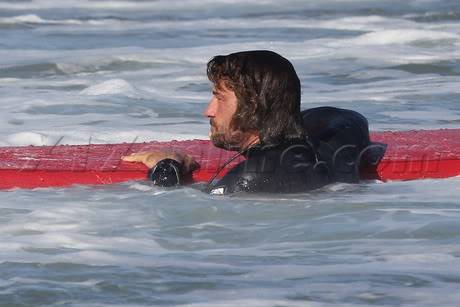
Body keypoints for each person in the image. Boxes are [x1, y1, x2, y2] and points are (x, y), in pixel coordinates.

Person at [122, 50, 385, 194]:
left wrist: (165, 166)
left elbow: (176, 214)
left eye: (219, 99)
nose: (208, 111)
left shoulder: (245, 181)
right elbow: (345, 117)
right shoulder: (339, 142)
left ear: (255, 107)